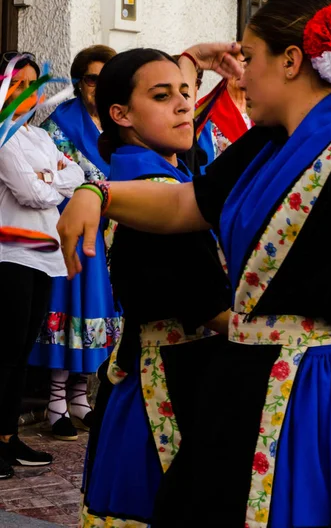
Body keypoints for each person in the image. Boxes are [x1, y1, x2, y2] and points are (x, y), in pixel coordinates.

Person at [57, 0, 331, 527]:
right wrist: (98, 192)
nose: (238, 75)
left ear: (289, 62)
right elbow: (181, 205)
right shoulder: (262, 145)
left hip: (321, 390)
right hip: (242, 382)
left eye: (249, 57)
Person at [78, 48, 231, 527]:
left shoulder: (137, 171)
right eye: (163, 97)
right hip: (170, 386)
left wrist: (193, 58)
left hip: (148, 375)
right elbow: (202, 302)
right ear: (120, 114)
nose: (185, 104)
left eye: (187, 93)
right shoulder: (153, 188)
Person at [29, 45, 122, 441]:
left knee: (98, 313)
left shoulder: (121, 124)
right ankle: (55, 404)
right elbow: (61, 180)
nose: (97, 88)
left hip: (116, 234)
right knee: (68, 308)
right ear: (78, 82)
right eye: (90, 80)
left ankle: (82, 399)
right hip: (73, 233)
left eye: (105, 80)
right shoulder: (60, 125)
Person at [0, 52, 84, 480]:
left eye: (33, 85)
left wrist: (48, 177)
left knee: (19, 355)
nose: (26, 94)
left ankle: (7, 437)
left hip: (44, 258)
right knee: (4, 354)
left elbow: (79, 176)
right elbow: (30, 193)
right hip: (10, 256)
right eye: (17, 84)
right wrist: (52, 179)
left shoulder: (39, 138)